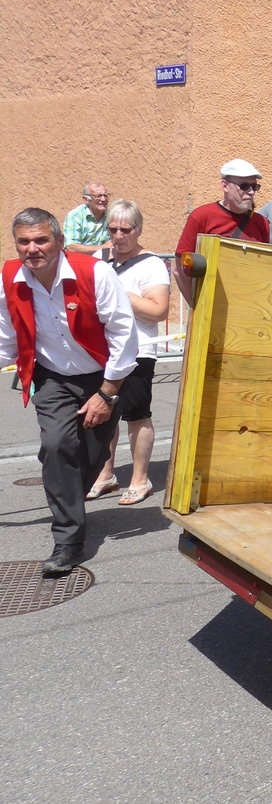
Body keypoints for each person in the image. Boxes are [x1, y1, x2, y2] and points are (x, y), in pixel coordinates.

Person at [0, 208, 137, 575]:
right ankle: (68, 540)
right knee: (58, 446)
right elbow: (6, 338)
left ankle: (68, 498)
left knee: (92, 455)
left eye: (41, 239)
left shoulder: (95, 272)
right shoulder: (9, 277)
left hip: (103, 376)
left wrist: (107, 394)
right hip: (52, 378)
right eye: (24, 242)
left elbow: (124, 336)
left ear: (59, 242)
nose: (33, 249)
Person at [87, 201, 170, 505]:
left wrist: (118, 292)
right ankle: (105, 474)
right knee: (102, 414)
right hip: (101, 352)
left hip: (138, 352)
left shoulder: (151, 264)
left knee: (136, 416)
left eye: (126, 229)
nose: (119, 236)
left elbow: (158, 310)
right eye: (113, 229)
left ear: (139, 229)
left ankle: (140, 479)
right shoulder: (99, 259)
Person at [174, 159, 271, 305]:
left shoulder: (261, 223)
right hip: (209, 306)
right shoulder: (202, 216)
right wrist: (197, 305)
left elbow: (264, 269)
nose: (251, 192)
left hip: (249, 307)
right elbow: (179, 269)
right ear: (225, 186)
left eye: (254, 186)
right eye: (244, 186)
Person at [64, 181, 113, 255]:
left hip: (102, 262)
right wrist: (103, 247)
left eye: (105, 195)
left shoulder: (111, 216)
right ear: (86, 199)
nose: (103, 199)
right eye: (98, 196)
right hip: (78, 262)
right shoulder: (75, 216)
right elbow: (71, 247)